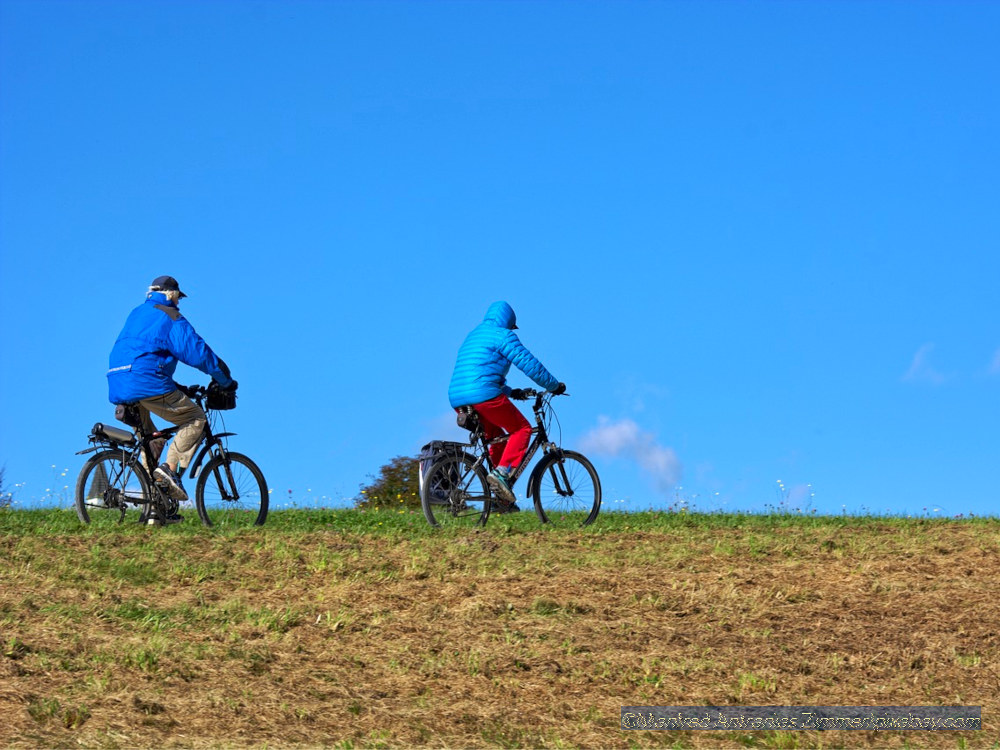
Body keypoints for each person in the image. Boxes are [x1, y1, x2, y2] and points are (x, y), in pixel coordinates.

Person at [107, 275, 236, 521]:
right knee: (195, 419)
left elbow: (144, 354)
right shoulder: (168, 314)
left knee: (151, 441)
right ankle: (169, 470)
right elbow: (197, 352)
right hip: (146, 381)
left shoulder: (137, 313)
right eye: (178, 296)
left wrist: (178, 388)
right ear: (170, 293)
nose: (179, 302)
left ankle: (155, 507)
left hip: (119, 382)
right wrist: (225, 378)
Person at [448, 301, 566, 511]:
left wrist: (512, 393)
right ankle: (501, 475)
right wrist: (554, 385)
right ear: (509, 322)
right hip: (484, 396)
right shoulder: (503, 335)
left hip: (458, 398)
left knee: (497, 440)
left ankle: (500, 500)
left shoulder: (473, 335)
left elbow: (481, 371)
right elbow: (529, 364)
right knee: (522, 429)